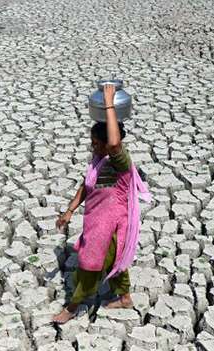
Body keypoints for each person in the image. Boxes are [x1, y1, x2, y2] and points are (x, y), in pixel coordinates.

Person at [52, 84, 150, 325]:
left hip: (112, 226)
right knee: (115, 260)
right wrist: (70, 211)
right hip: (97, 223)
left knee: (90, 265)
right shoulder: (98, 161)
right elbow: (86, 187)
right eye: (92, 142)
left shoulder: (120, 163)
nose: (92, 147)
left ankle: (73, 306)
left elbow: (115, 144)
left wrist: (109, 104)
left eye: (97, 143)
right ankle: (125, 297)